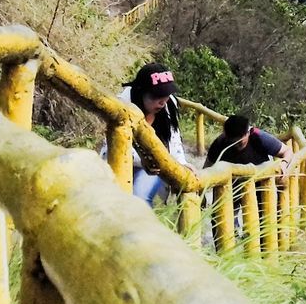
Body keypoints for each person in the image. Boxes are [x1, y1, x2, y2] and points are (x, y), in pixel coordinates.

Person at [114, 62, 189, 204]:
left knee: (140, 196)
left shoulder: (169, 104)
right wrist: (142, 159)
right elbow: (113, 147)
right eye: (157, 96)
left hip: (155, 166)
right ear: (141, 92)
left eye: (166, 95)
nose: (162, 102)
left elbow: (173, 139)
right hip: (121, 162)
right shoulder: (122, 106)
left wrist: (181, 163)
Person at [204, 115, 291, 179]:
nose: (236, 144)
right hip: (231, 191)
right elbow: (207, 167)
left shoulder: (259, 137)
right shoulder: (220, 143)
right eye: (233, 141)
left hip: (261, 186)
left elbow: (287, 151)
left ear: (248, 133)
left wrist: (284, 163)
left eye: (240, 142)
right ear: (226, 135)